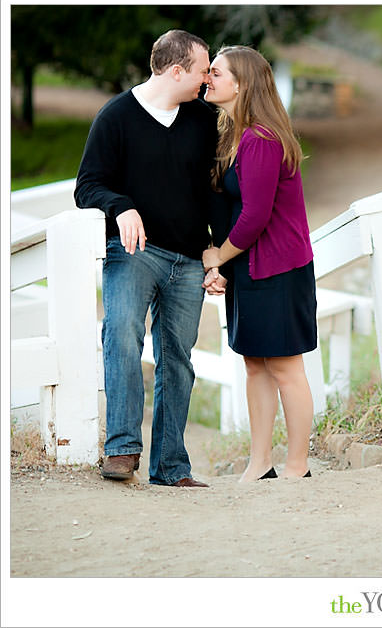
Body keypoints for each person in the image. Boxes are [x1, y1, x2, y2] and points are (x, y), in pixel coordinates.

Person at [74, 29, 219, 487]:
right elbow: (87, 186)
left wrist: (217, 255)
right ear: (177, 71)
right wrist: (122, 206)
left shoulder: (202, 119)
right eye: (202, 70)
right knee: (120, 335)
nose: (207, 78)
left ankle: (171, 468)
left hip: (190, 258)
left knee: (178, 359)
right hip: (135, 252)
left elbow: (214, 193)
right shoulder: (116, 116)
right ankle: (121, 450)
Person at [202, 45, 317, 482]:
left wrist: (218, 256)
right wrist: (221, 264)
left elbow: (255, 215)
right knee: (254, 363)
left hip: (279, 269)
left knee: (286, 366)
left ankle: (297, 466)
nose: (207, 79)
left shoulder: (261, 139)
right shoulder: (234, 135)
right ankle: (260, 461)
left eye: (216, 72)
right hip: (249, 266)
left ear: (242, 82)